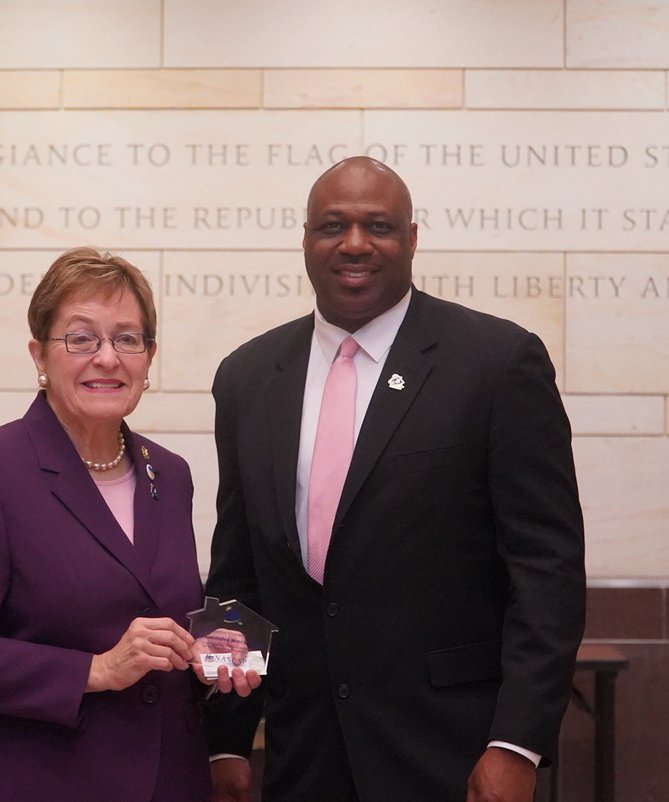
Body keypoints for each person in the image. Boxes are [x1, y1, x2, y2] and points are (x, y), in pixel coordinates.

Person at [203, 157, 586, 802]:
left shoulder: (496, 364)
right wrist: (225, 737)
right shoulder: (246, 378)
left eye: (377, 225)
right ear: (304, 242)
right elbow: (240, 573)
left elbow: (546, 569)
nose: (354, 244)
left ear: (411, 240)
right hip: (304, 754)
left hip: (453, 754)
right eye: (332, 225)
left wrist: (517, 742)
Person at [0, 248, 252, 802]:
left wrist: (214, 653)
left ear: (148, 358)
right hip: (42, 780)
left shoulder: (169, 473)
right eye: (81, 338)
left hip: (171, 779)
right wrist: (95, 670)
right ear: (39, 355)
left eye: (127, 338)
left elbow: (161, 606)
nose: (107, 358)